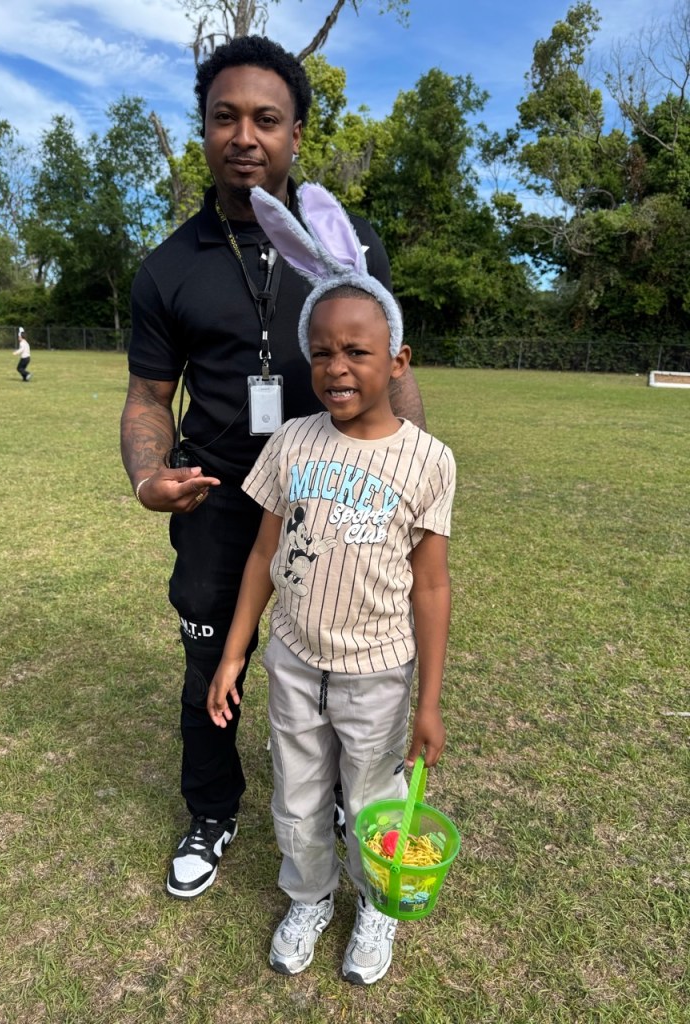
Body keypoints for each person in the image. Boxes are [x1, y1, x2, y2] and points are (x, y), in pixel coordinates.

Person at [120, 35, 426, 902]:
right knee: (210, 660)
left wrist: (411, 492)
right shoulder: (169, 267)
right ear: (204, 129)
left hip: (338, 495)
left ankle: (335, 799)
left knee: (341, 664)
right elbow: (148, 396)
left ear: (296, 134)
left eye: (266, 118)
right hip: (218, 497)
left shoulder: (348, 246)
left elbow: (396, 371)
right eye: (225, 116)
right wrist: (150, 479)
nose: (244, 135)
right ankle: (212, 809)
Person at [207, 182, 455, 985]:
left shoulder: (429, 460)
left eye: (357, 351)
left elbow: (432, 588)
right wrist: (235, 655)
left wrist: (427, 700)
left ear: (397, 360)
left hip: (377, 671)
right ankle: (309, 895)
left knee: (374, 798)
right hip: (292, 661)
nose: (337, 367)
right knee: (298, 795)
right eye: (321, 351)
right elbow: (260, 558)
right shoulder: (291, 442)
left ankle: (375, 905)